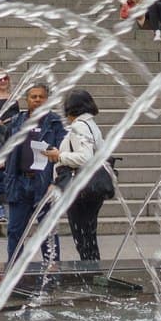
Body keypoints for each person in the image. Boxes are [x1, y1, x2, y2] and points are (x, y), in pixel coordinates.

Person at [44, 88, 110, 264]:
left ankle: (91, 272)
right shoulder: (91, 125)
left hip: (80, 188)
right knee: (88, 235)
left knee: (82, 237)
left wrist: (59, 156)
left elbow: (85, 157)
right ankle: (93, 270)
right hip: (92, 186)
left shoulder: (79, 126)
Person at [3, 83, 65, 266]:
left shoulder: (55, 122)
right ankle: (14, 268)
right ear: (26, 100)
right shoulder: (17, 121)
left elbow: (63, 152)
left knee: (47, 231)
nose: (37, 100)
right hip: (19, 181)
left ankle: (52, 268)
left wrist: (55, 181)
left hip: (44, 183)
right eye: (33, 97)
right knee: (15, 230)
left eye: (41, 97)